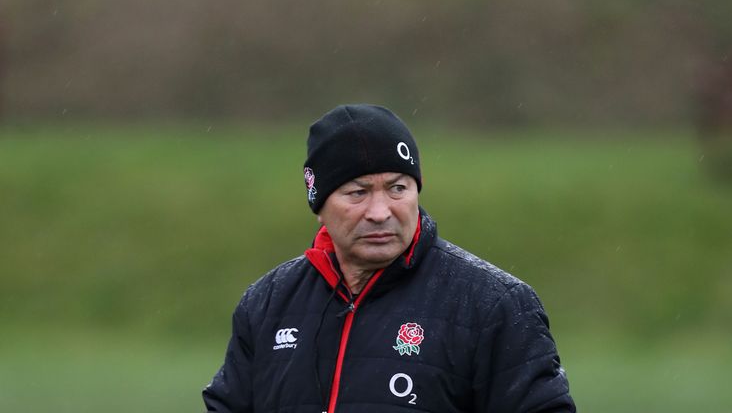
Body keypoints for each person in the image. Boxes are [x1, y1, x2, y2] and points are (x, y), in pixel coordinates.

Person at [202, 104, 576, 412]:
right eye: (357, 192)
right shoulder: (267, 304)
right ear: (319, 206)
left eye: (397, 188)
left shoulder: (495, 305)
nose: (380, 211)